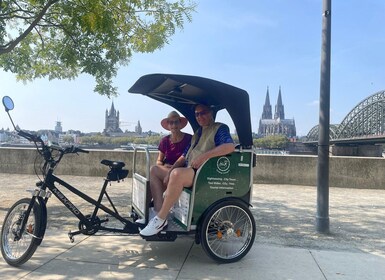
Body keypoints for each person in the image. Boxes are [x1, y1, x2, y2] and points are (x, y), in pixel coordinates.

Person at [139, 104, 235, 236]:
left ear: (211, 112)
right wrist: (171, 169)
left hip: (202, 172)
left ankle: (160, 220)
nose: (200, 116)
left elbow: (229, 146)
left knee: (177, 174)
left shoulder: (220, 128)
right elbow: (184, 156)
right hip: (188, 169)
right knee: (155, 170)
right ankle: (159, 212)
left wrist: (203, 157)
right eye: (197, 114)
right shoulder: (198, 133)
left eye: (203, 113)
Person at [136, 111, 192, 224]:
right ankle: (149, 212)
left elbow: (188, 159)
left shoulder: (189, 139)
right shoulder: (165, 141)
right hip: (167, 170)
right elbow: (159, 160)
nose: (174, 125)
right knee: (154, 173)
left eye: (176, 122)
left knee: (153, 171)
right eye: (171, 123)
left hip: (182, 172)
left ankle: (158, 213)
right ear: (168, 125)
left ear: (180, 123)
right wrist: (163, 166)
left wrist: (171, 169)